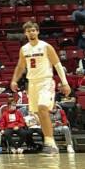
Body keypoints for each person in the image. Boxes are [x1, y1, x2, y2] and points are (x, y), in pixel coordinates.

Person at [9, 20, 70, 156]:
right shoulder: (24, 49)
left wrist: (65, 83)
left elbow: (57, 65)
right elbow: (20, 66)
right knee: (39, 114)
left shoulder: (46, 46)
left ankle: (51, 144)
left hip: (46, 81)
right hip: (32, 83)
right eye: (28, 30)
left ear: (38, 31)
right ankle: (49, 142)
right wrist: (14, 80)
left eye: (33, 30)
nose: (31, 32)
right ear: (25, 33)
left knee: (43, 108)